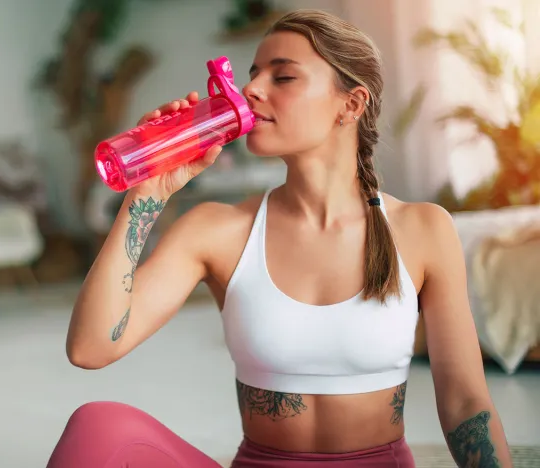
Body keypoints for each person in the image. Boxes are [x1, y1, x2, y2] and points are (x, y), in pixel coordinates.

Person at [47, 9, 512, 468]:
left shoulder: (422, 229)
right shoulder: (218, 230)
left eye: (282, 77)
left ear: (350, 104)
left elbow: (465, 402)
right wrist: (147, 192)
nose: (251, 89)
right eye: (253, 75)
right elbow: (91, 347)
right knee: (99, 427)